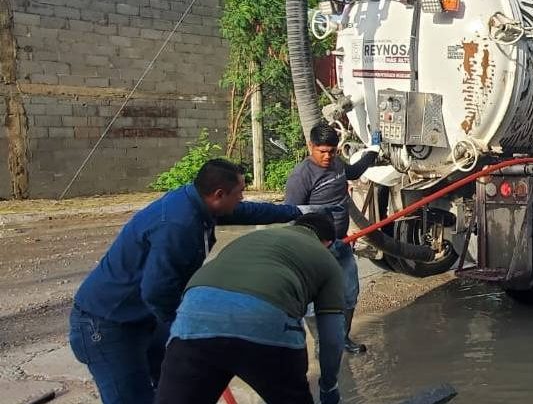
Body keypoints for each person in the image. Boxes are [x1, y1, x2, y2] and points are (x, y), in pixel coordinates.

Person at [68, 159, 303, 404]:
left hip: (143, 318)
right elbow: (157, 291)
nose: (242, 199)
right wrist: (188, 324)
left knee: (177, 386)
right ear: (218, 194)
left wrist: (296, 212)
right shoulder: (178, 224)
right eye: (240, 193)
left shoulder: (197, 203)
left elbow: (245, 211)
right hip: (107, 324)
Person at [155, 213, 344, 404]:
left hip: (192, 316)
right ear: (328, 243)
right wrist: (329, 386)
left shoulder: (249, 239)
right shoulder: (326, 260)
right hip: (265, 320)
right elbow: (332, 337)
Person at [285, 122, 380, 353]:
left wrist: (373, 151)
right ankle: (322, 343)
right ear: (310, 146)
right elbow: (290, 216)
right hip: (313, 249)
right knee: (311, 303)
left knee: (349, 293)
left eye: (332, 151)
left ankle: (342, 338)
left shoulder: (337, 164)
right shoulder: (301, 176)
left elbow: (355, 172)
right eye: (322, 151)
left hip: (341, 244)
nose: (327, 157)